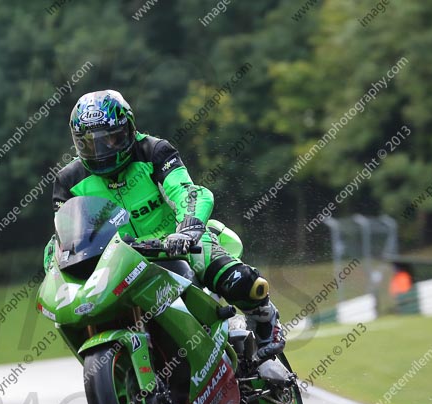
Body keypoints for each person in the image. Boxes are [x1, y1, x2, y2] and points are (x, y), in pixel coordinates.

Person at [44, 89, 284, 361]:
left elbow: (186, 192)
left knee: (237, 279)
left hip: (175, 242)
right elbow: (63, 234)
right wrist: (57, 266)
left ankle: (264, 318)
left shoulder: (154, 151)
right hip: (117, 261)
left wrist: (189, 227)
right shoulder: (68, 180)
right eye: (90, 144)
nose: (101, 151)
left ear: (129, 129)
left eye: (111, 138)